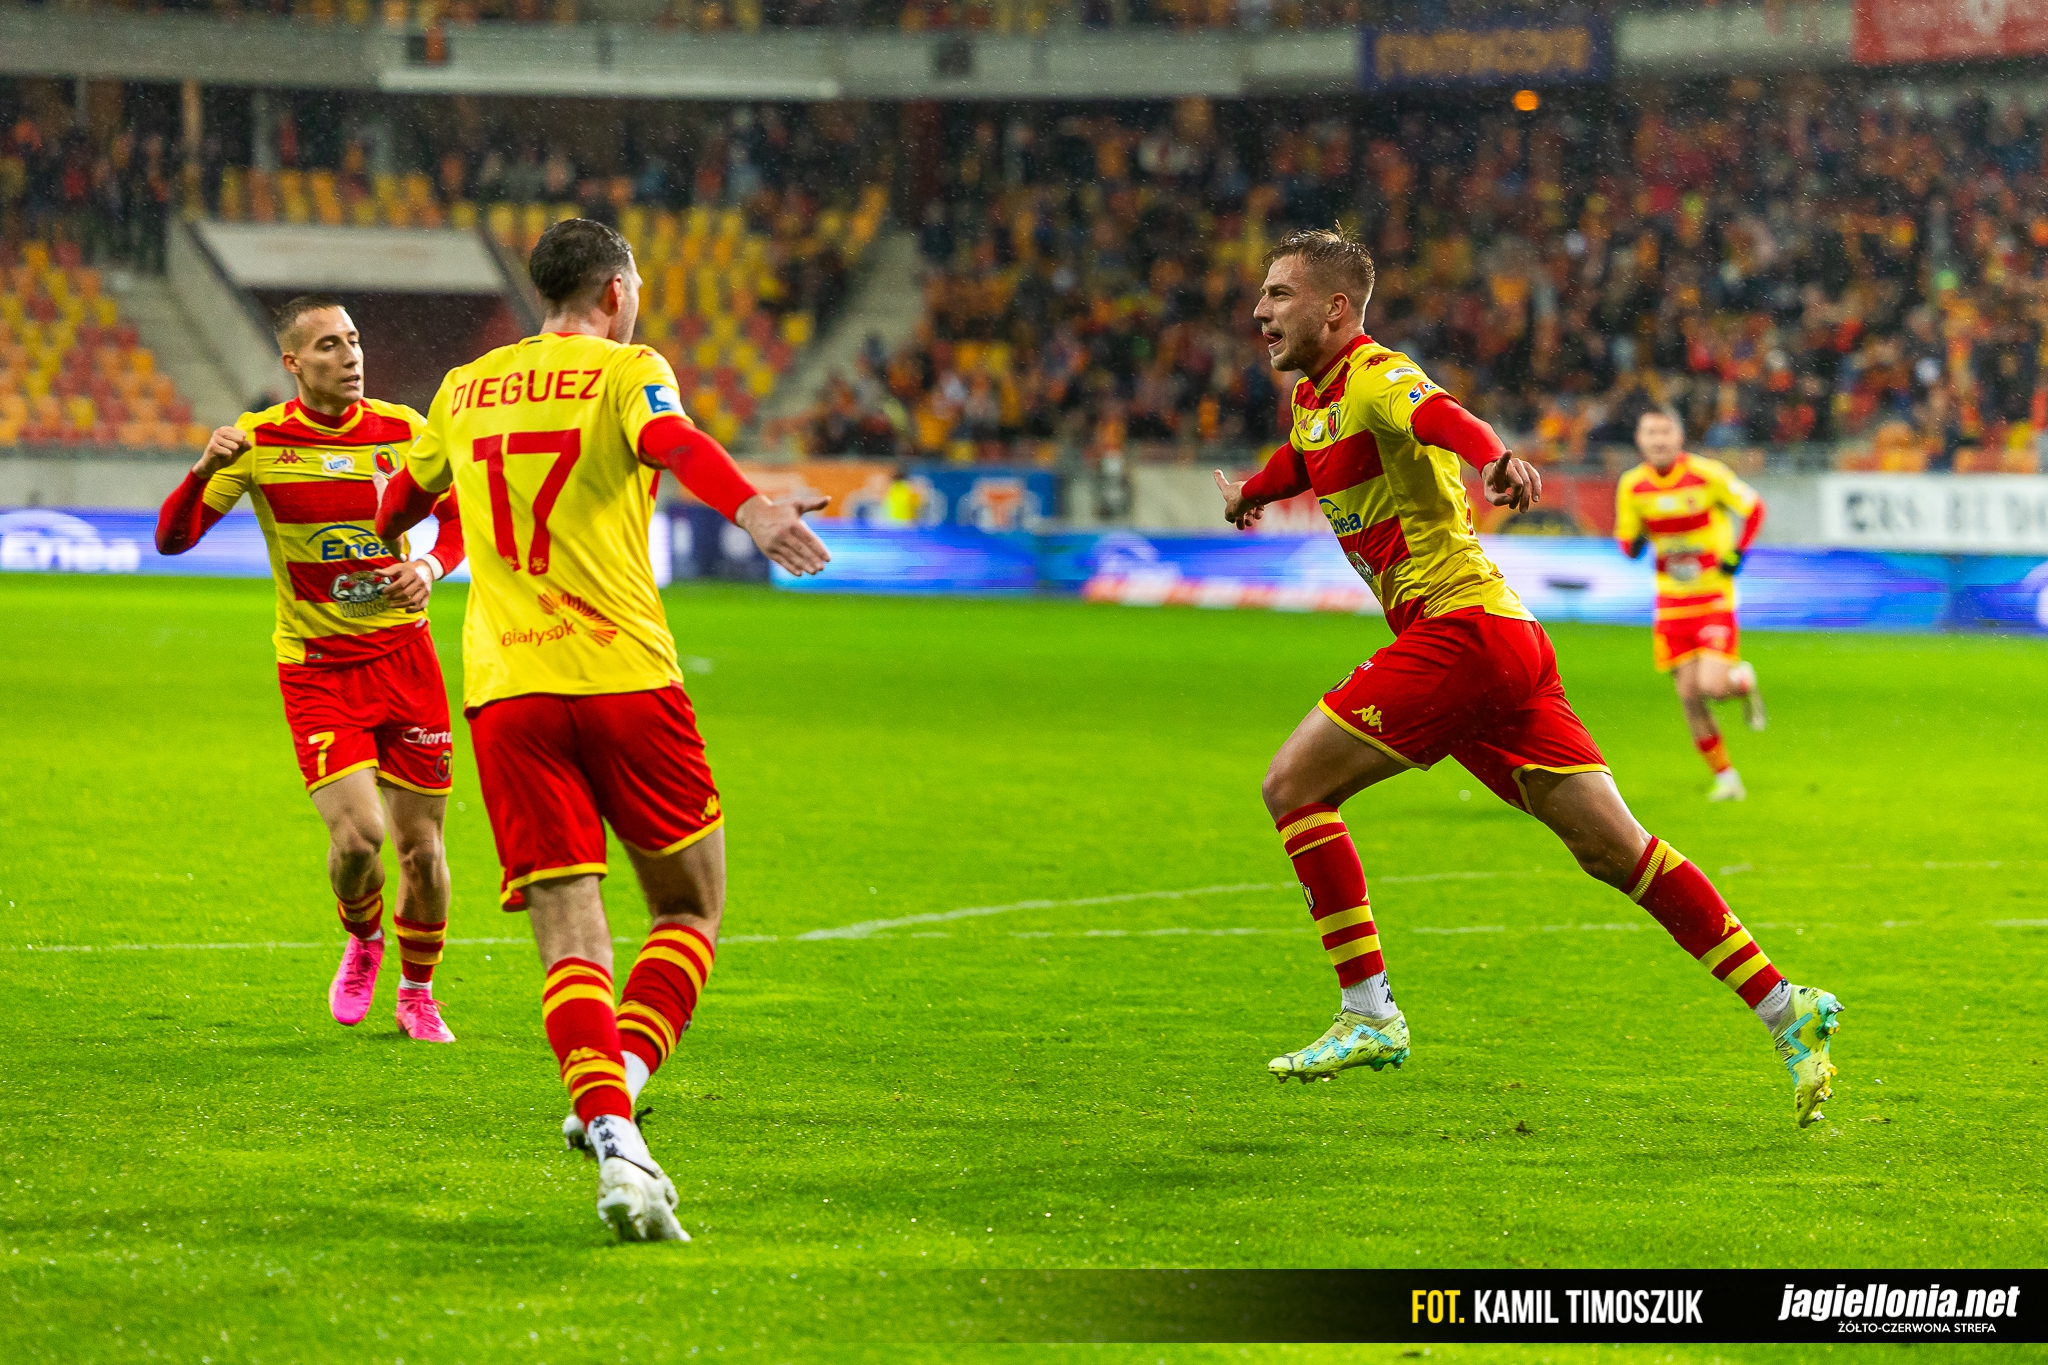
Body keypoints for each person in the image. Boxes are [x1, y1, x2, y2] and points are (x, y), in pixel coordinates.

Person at [1212, 229, 1840, 1127]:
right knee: (1614, 849)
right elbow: (1304, 458)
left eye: (1279, 294)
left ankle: (1368, 1010)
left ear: (1336, 307)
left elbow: (1442, 415)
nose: (1260, 310)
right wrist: (1254, 493)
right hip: (1504, 642)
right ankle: (1787, 1007)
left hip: (1460, 632)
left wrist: (1495, 457)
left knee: (1293, 786)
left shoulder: (1378, 376)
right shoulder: (1316, 401)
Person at [377, 219, 831, 1241]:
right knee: (689, 907)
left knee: (568, 934)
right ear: (616, 292)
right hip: (625, 679)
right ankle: (620, 1088)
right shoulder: (628, 371)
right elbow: (676, 444)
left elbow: (400, 503)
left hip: (509, 692)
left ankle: (614, 1135)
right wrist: (754, 510)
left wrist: (406, 526)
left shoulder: (464, 388)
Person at [154, 295, 463, 1044]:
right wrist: (202, 470)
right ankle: (364, 936)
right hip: (319, 670)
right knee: (359, 841)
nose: (350, 355)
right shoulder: (258, 442)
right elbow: (172, 540)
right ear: (293, 362)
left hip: (407, 662)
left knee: (423, 850)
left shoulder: (405, 430)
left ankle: (418, 993)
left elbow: (459, 521)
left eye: (353, 339)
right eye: (329, 345)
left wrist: (428, 565)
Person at [1615, 410, 1769, 801]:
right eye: (1651, 432)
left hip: (1713, 598)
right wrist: (1635, 543)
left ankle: (1741, 681)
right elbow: (1627, 542)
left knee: (1712, 686)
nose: (1659, 440)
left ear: (1679, 437)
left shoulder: (1707, 474)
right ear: (1640, 440)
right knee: (1689, 696)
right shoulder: (1632, 486)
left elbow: (1754, 508)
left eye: (1665, 432)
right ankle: (1727, 777)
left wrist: (1738, 553)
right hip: (1670, 605)